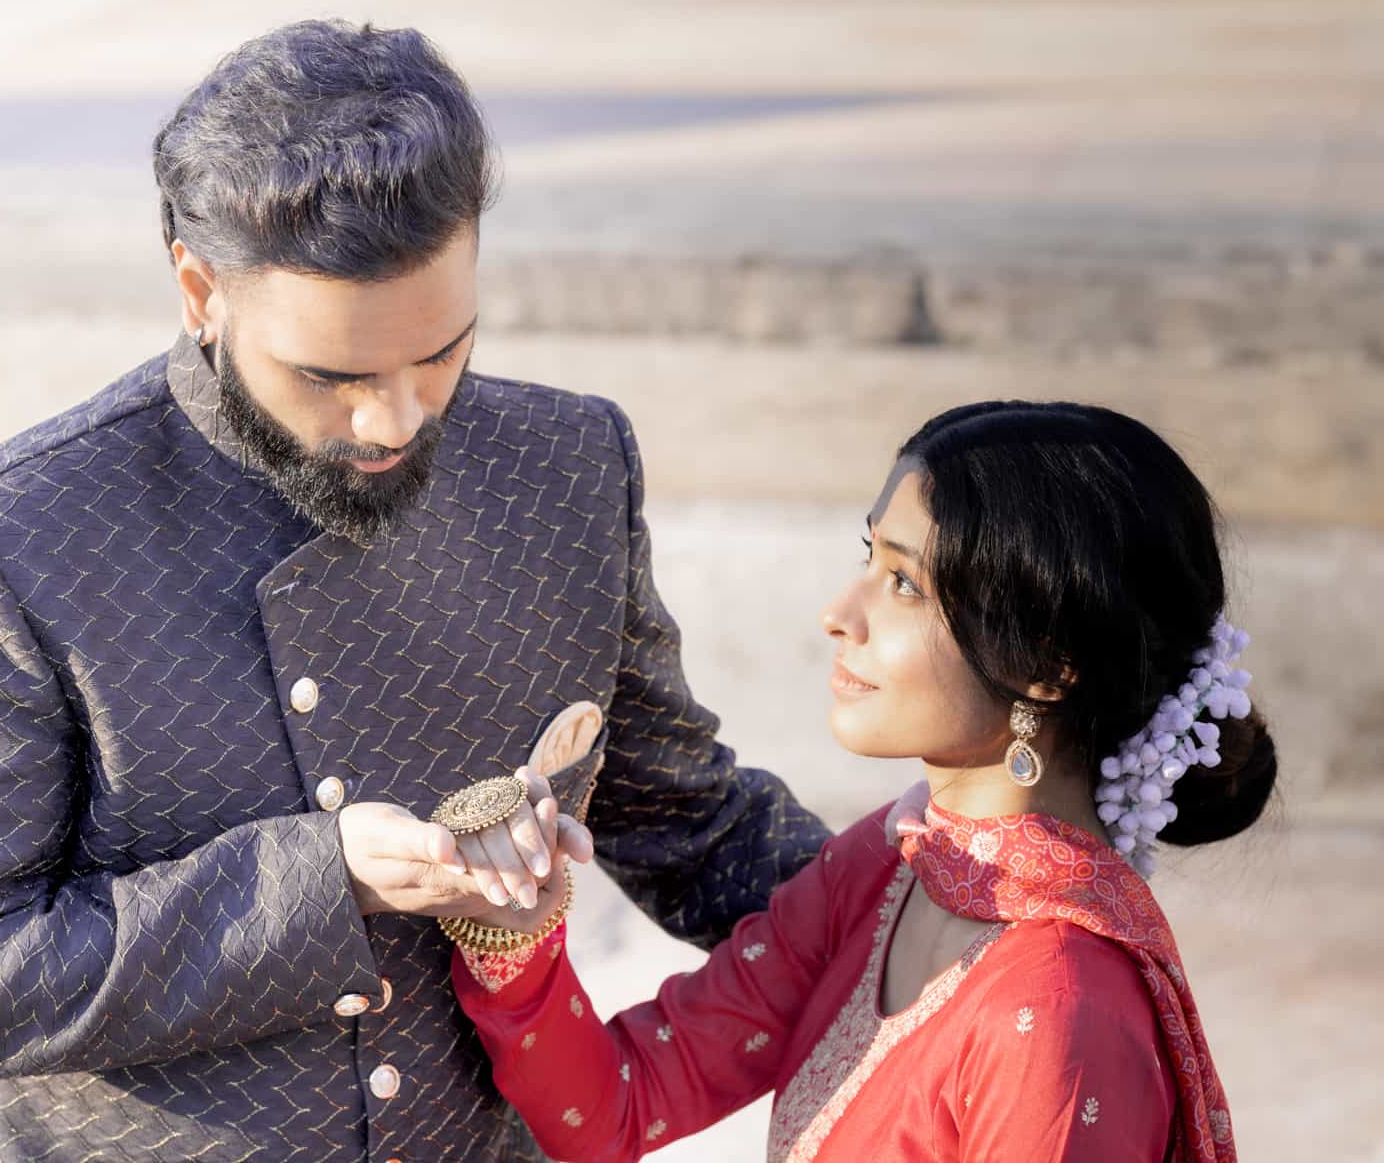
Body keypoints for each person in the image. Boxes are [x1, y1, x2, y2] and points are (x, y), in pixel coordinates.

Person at [0, 20, 828, 1163]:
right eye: (332, 375)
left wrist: (953, 889)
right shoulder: (4, 545)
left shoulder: (565, 467)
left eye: (442, 352)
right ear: (200, 288)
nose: (396, 421)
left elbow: (688, 824)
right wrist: (321, 881)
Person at [454, 400, 1277, 1163]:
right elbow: (620, 1105)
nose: (840, 613)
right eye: (868, 557)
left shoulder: (1057, 1011)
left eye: (905, 583)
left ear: (1048, 668)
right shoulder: (889, 866)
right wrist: (515, 928)